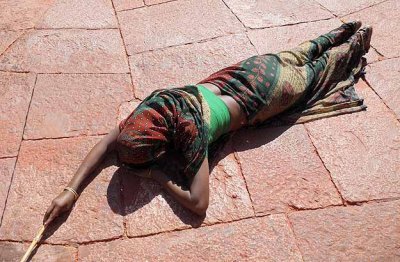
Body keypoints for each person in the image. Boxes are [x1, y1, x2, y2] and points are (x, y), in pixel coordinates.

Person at [43, 21, 372, 225]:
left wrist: (159, 176)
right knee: (296, 55)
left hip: (270, 93)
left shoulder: (190, 132)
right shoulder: (154, 106)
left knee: (316, 74)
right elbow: (106, 145)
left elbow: (199, 204)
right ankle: (339, 31)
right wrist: (70, 191)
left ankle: (355, 43)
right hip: (249, 70)